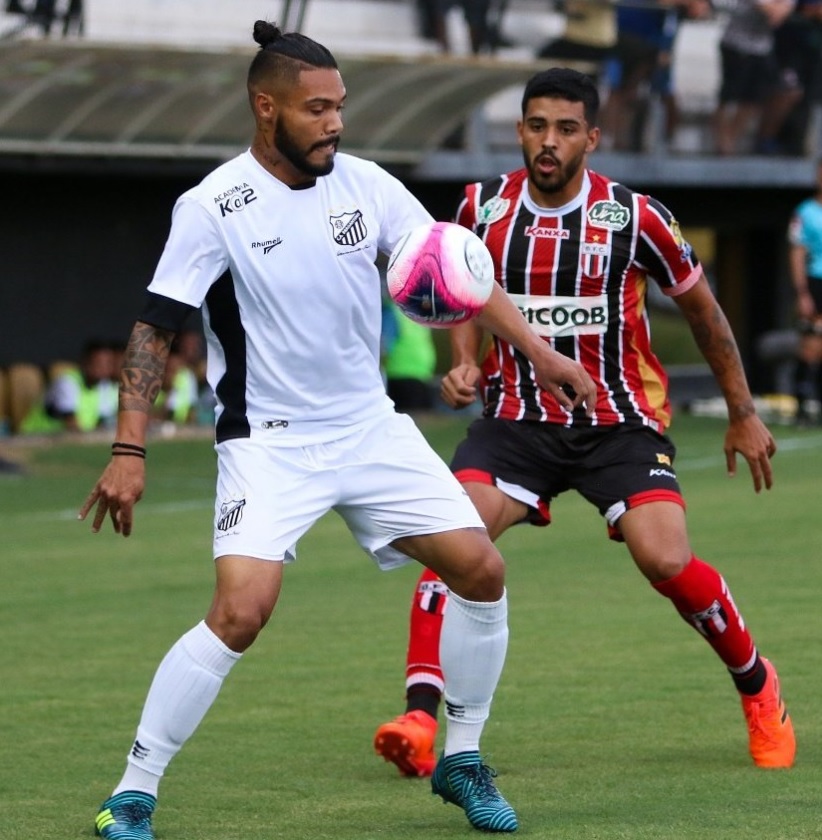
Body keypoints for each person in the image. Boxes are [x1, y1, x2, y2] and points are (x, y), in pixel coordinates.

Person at [77, 22, 597, 840]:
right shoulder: (212, 205)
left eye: (340, 107)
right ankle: (133, 793)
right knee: (241, 611)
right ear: (265, 107)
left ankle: (461, 759)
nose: (334, 123)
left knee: (482, 571)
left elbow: (461, 274)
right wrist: (128, 446)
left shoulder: (367, 185)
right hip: (269, 441)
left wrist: (542, 355)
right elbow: (154, 329)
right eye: (316, 109)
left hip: (370, 430)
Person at [373, 66, 796, 780]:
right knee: (454, 541)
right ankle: (419, 715)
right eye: (537, 125)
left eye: (566, 129)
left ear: (592, 138)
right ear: (520, 131)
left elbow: (704, 311)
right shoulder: (481, 207)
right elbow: (466, 292)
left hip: (618, 422)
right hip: (515, 422)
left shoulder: (636, 216)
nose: (549, 141)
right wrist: (465, 362)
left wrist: (743, 413)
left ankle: (758, 686)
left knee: (664, 558)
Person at [713, 0, 797, 156]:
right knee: (728, 96)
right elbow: (768, 10)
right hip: (735, 44)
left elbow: (779, 15)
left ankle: (732, 137)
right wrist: (775, 8)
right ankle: (722, 139)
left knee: (753, 98)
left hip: (762, 48)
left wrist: (777, 9)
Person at [787, 156, 822, 423]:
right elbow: (797, 253)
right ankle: (801, 404)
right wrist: (802, 292)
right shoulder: (806, 212)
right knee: (810, 344)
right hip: (815, 281)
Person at [42, 339, 118, 432]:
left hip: (73, 441)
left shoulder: (106, 387)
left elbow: (102, 425)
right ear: (85, 362)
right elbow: (71, 424)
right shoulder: (67, 381)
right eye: (98, 363)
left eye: (108, 363)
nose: (104, 368)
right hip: (34, 437)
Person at [383, 300, 438, 413]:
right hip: (400, 375)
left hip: (421, 375)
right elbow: (384, 345)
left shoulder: (419, 311)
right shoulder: (392, 311)